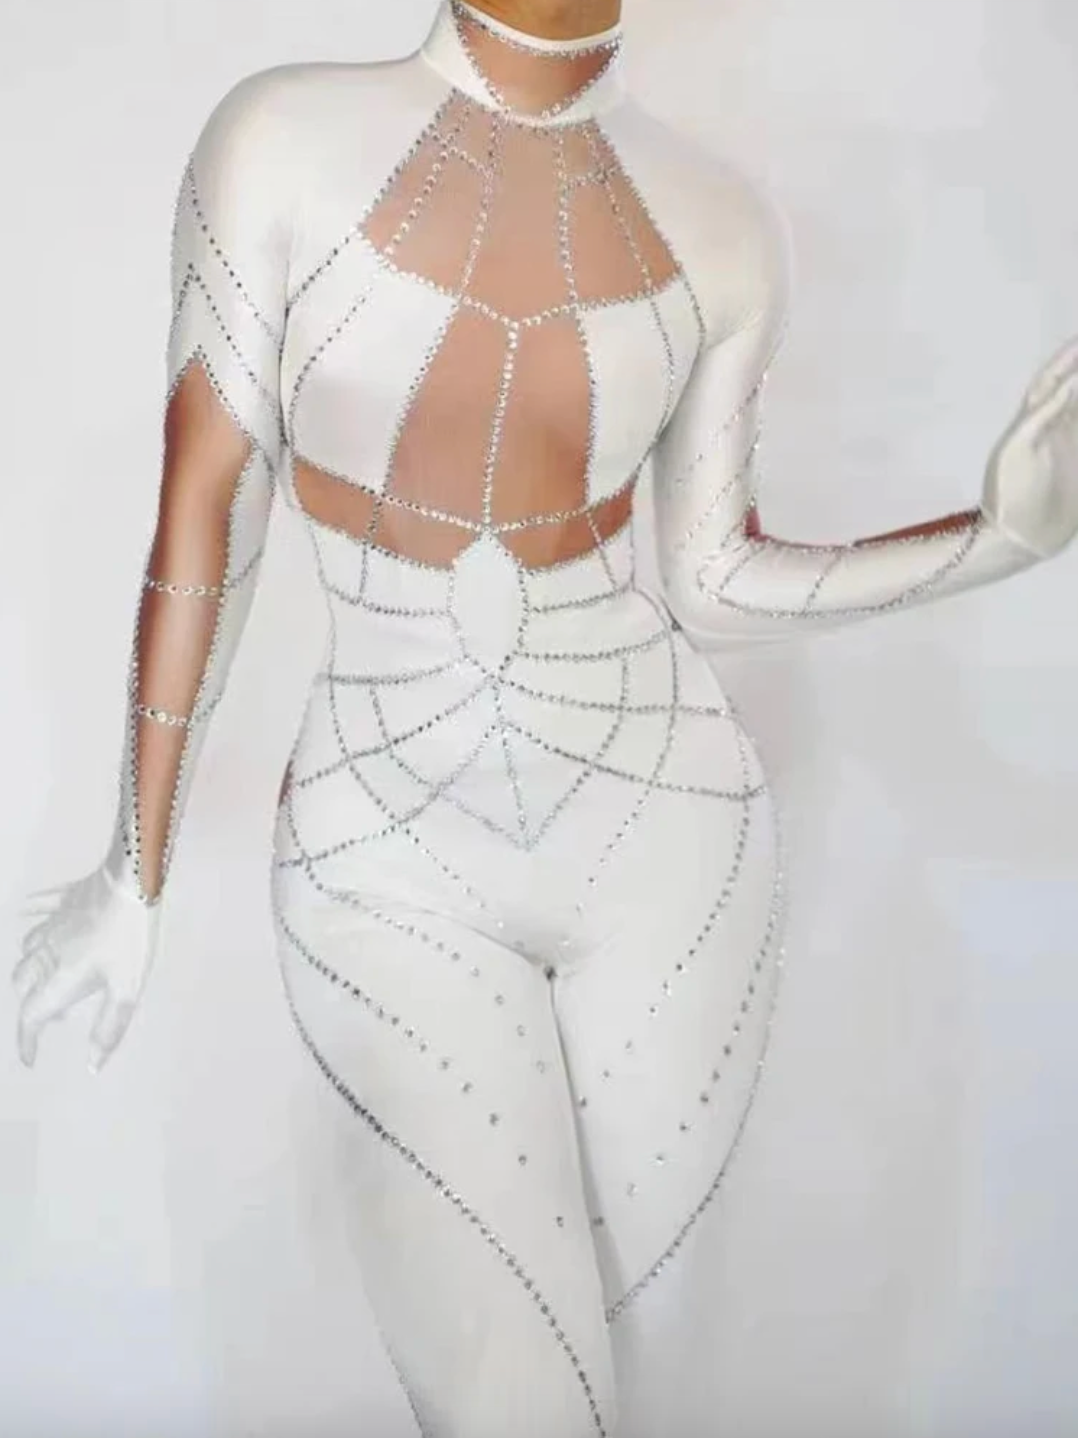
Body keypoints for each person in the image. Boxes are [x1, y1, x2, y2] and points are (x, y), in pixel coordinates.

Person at [11, 0, 1078, 1433]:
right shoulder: (276, 143)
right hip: (383, 844)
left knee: (641, 1395)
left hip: (671, 843)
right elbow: (208, 504)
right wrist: (130, 871)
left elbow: (711, 580)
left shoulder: (723, 225)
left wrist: (997, 541)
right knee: (520, 1407)